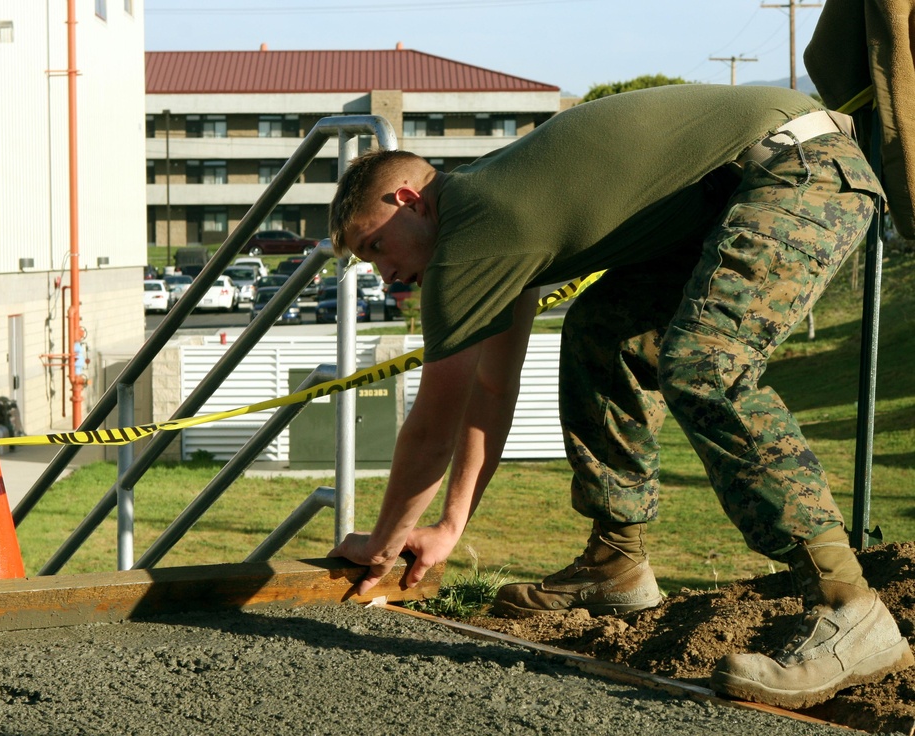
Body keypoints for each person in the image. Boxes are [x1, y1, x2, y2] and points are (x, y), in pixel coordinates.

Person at [326, 83, 913, 709]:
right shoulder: (486, 217)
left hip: (800, 171)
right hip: (731, 192)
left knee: (704, 365)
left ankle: (849, 607)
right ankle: (616, 562)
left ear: (410, 200)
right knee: (602, 336)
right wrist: (448, 526)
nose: (383, 272)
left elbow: (432, 425)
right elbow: (491, 389)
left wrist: (384, 541)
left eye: (375, 247)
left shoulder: (475, 223)